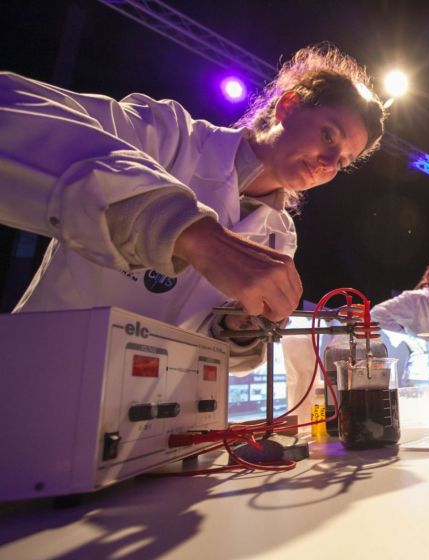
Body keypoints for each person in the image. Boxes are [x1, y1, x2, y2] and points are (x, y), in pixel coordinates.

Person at [0, 44, 386, 370]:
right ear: (287, 106)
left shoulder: (279, 237)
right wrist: (188, 232)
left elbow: (207, 350)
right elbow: (10, 111)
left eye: (343, 161)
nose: (328, 162)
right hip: (44, 378)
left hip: (156, 427)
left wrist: (236, 334)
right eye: (328, 135)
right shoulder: (167, 137)